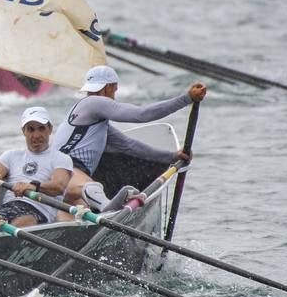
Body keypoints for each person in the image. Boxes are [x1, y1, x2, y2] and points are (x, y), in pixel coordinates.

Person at [53, 65, 206, 210]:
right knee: (93, 189)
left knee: (81, 214)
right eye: (115, 90)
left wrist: (171, 156)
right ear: (108, 88)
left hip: (64, 178)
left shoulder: (94, 122)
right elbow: (141, 115)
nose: (114, 95)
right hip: (64, 170)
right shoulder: (94, 102)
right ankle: (109, 209)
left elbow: (129, 146)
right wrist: (187, 99)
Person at [0, 107, 76, 227]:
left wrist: (32, 186)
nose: (36, 135)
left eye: (41, 128)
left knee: (24, 221)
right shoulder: (10, 155)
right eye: (30, 129)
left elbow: (59, 186)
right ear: (23, 131)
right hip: (8, 207)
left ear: (50, 129)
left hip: (37, 211)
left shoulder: (61, 158)